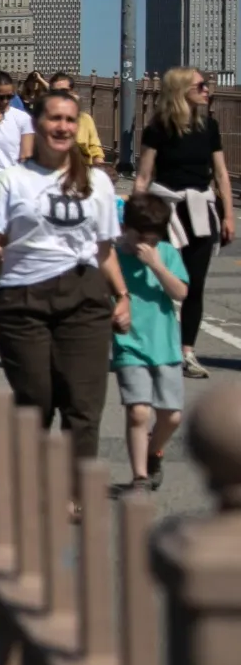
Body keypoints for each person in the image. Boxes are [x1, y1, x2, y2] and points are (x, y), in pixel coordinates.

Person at [0, 91, 131, 485]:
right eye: (55, 118)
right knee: (36, 400)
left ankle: (74, 489)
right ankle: (34, 483)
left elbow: (104, 249)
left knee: (83, 404)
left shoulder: (97, 182)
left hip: (84, 296)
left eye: (70, 120)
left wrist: (122, 295)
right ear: (38, 124)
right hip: (24, 297)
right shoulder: (14, 180)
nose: (63, 127)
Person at [133, 66, 235, 379]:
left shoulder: (210, 127)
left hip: (200, 209)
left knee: (194, 284)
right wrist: (137, 218)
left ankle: (186, 351)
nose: (207, 90)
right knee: (158, 280)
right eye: (201, 86)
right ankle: (152, 345)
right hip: (165, 211)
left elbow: (220, 174)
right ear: (181, 91)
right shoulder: (159, 129)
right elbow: (144, 176)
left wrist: (228, 214)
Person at [114, 191, 190, 491]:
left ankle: (153, 450)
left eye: (154, 239)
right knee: (138, 411)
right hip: (129, 344)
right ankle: (140, 476)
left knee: (172, 416)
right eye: (140, 237)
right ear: (126, 229)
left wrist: (157, 265)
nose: (147, 245)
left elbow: (180, 293)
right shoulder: (113, 256)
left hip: (165, 345)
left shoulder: (167, 254)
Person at [47, 73, 104, 165]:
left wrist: (100, 167)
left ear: (72, 92)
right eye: (55, 92)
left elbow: (95, 147)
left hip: (81, 169)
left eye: (64, 91)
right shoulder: (43, 119)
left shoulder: (85, 119)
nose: (60, 95)